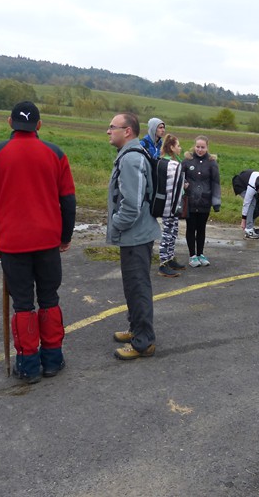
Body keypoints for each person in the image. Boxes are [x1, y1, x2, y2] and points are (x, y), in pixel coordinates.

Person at [0, 101, 76, 382]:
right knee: (49, 299)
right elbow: (68, 201)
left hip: (12, 243)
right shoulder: (56, 153)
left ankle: (28, 365)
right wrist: (65, 237)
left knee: (23, 304)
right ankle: (53, 360)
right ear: (39, 125)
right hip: (47, 241)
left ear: (10, 122)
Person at [107, 112, 161, 360]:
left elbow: (131, 204)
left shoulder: (131, 159)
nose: (108, 131)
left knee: (138, 287)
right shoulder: (130, 154)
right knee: (133, 286)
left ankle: (143, 342)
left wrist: (116, 225)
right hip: (135, 234)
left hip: (135, 235)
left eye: (113, 127)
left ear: (127, 131)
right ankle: (135, 329)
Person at [182, 135, 221, 267]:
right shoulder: (187, 161)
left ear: (207, 147)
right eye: (197, 147)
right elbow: (180, 176)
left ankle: (200, 254)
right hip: (190, 201)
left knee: (201, 228)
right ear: (194, 146)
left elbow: (215, 183)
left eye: (202, 147)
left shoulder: (212, 163)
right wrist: (184, 184)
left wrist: (216, 202)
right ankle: (192, 255)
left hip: (205, 201)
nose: (199, 149)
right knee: (191, 228)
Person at [158, 133, 187, 277]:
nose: (180, 148)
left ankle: (170, 258)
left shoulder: (173, 162)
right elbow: (172, 186)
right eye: (178, 145)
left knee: (173, 232)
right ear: (171, 147)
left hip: (173, 205)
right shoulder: (171, 165)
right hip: (169, 205)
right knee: (167, 233)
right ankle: (163, 263)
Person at [234, 169, 259, 239]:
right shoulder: (252, 187)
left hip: (249, 180)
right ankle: (249, 230)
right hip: (240, 184)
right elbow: (246, 203)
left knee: (257, 203)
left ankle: (250, 225)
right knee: (252, 202)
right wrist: (243, 220)